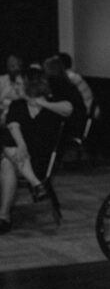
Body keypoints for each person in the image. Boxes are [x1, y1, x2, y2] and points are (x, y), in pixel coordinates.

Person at [0, 66, 73, 233]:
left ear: (30, 84)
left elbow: (68, 109)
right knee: (6, 160)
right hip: (22, 155)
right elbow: (13, 126)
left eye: (19, 84)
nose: (15, 87)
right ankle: (35, 185)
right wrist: (22, 145)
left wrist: (40, 102)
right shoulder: (17, 105)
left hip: (43, 160)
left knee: (6, 159)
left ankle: (4, 216)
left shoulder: (51, 101)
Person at [0, 54, 25, 125]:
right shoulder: (2, 80)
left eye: (18, 66)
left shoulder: (26, 81)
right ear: (7, 67)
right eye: (12, 66)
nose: (16, 69)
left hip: (17, 117)